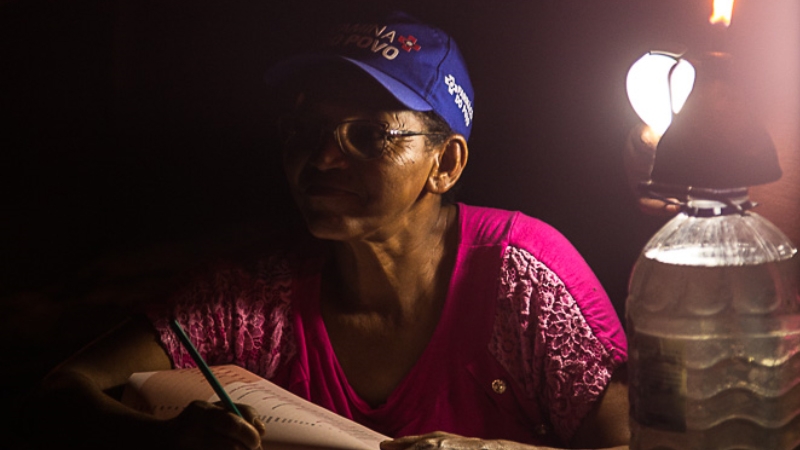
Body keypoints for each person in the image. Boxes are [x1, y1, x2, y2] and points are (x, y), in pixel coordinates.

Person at [33, 10, 629, 450]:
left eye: (369, 135)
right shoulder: (251, 299)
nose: (320, 159)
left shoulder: (523, 276)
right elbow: (58, 393)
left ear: (444, 164)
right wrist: (162, 439)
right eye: (303, 128)